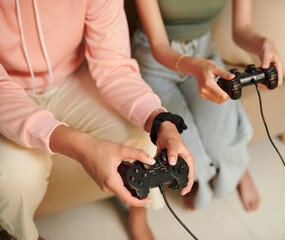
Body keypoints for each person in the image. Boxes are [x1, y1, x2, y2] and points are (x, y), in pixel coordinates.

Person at [0, 0, 194, 240]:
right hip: (7, 93)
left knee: (142, 140)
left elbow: (113, 65)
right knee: (10, 178)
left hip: (73, 76)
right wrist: (83, 147)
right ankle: (24, 236)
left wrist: (160, 119)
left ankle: (138, 209)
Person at [131, 0, 283, 211]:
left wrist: (264, 44)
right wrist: (194, 66)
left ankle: (238, 170)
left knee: (225, 145)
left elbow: (242, 29)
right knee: (192, 161)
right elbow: (159, 47)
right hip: (155, 60)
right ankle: (200, 181)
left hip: (204, 54)